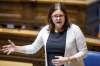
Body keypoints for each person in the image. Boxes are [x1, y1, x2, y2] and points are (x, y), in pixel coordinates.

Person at [2, 3, 87, 66]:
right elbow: (33, 48)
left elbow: (84, 52)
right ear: (51, 17)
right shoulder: (45, 30)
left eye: (61, 15)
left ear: (65, 17)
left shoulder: (75, 29)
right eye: (55, 16)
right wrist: (17, 48)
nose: (58, 18)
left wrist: (68, 59)